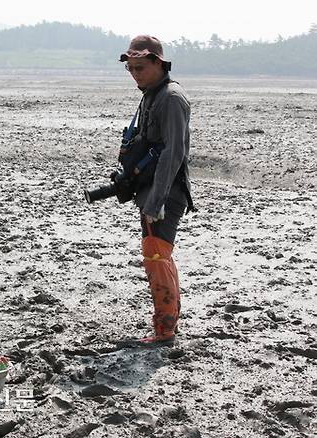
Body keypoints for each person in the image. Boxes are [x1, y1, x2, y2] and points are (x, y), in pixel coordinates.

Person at [116, 35, 195, 345]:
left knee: (156, 255)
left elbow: (174, 153)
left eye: (141, 67)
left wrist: (158, 200)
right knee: (158, 254)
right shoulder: (151, 94)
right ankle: (167, 323)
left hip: (166, 192)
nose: (135, 74)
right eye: (131, 69)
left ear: (159, 64)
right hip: (150, 190)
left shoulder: (172, 98)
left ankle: (164, 331)